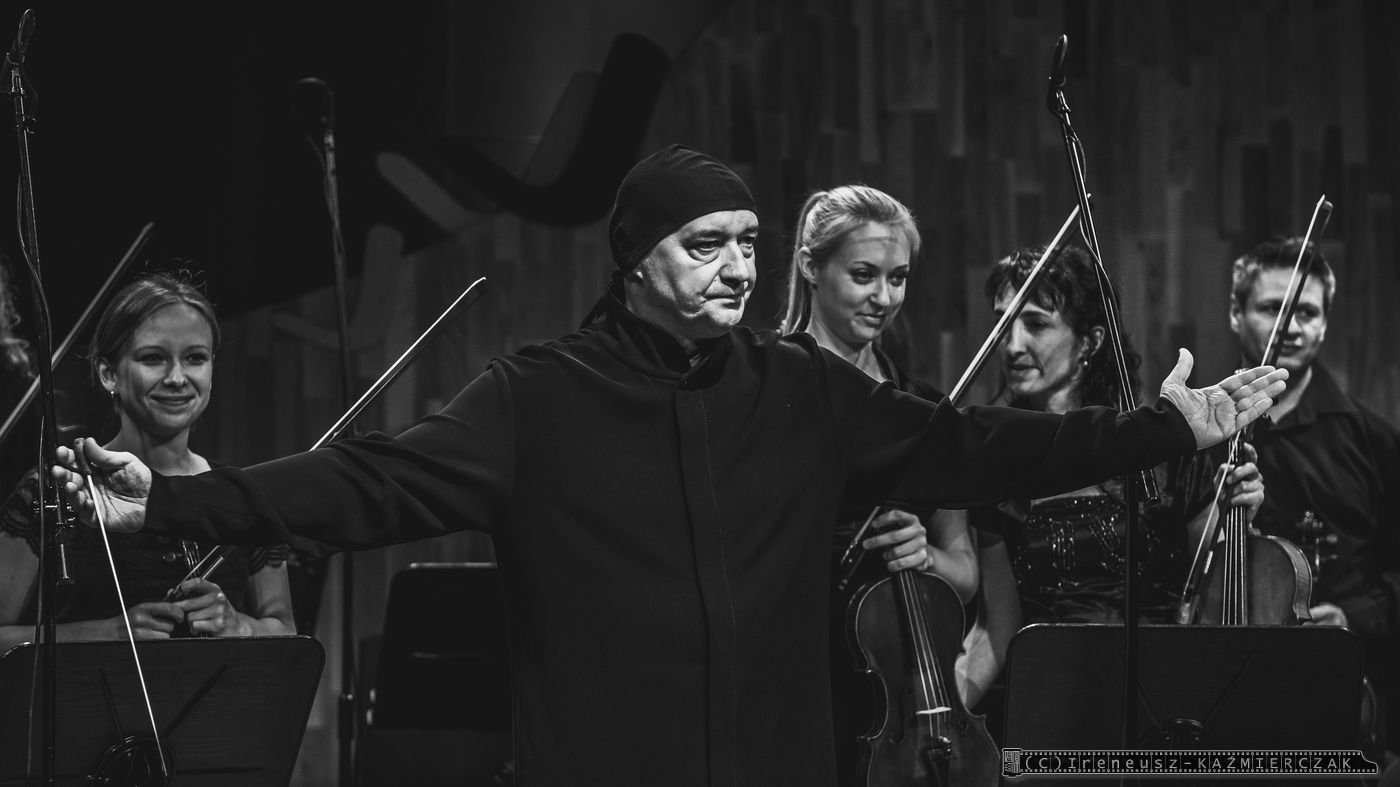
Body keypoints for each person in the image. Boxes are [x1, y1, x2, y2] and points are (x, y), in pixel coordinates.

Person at [55, 146, 1285, 787]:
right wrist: (167, 498)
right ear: (638, 256)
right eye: (706, 245)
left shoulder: (802, 389)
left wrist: (1162, 428)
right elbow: (368, 480)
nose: (737, 267)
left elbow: (981, 445)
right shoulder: (537, 396)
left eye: (748, 242)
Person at [959, 245, 1264, 720]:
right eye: (1003, 324)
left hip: (1164, 702)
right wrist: (939, 720)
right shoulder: (997, 464)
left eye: (1036, 324)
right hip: (1053, 704)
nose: (1012, 345)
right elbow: (996, 629)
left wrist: (1238, 520)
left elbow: (1214, 604)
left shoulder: (1162, 453)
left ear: (1091, 341)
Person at [779, 184, 978, 781]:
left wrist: (927, 558)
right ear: (811, 266)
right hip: (787, 687)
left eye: (899, 278)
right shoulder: (765, 392)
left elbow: (966, 575)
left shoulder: (920, 411)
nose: (884, 298)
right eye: (864, 275)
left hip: (895, 708)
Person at [0, 273, 295, 651]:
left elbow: (286, 629)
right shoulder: (58, 488)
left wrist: (240, 626)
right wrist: (108, 633)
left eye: (195, 358)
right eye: (153, 358)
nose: (177, 378)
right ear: (109, 373)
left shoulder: (241, 496)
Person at [1226, 236, 1400, 760]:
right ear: (1235, 314)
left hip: (1351, 694)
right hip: (1228, 689)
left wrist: (1352, 617)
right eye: (1272, 309)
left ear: (1324, 324)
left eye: (1307, 312)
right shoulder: (1198, 440)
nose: (1291, 327)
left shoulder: (1375, 441)